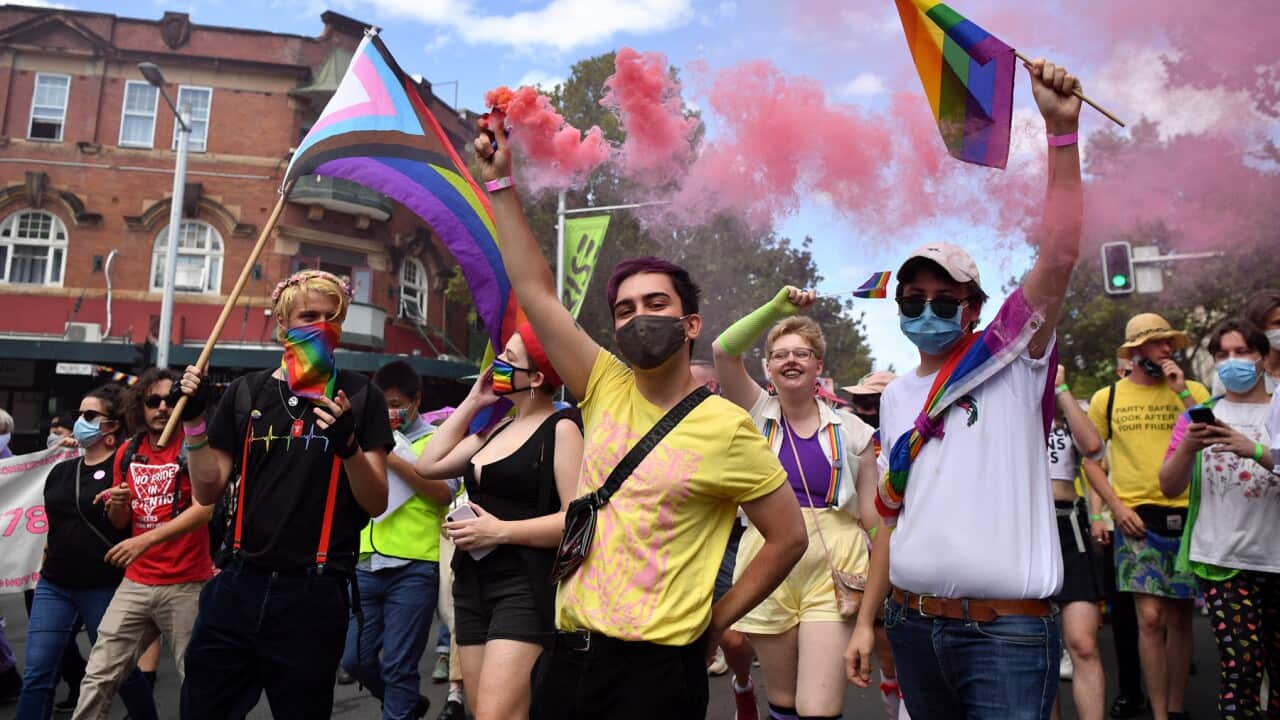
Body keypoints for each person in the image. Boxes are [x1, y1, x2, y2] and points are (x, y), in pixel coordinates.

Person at [472, 118, 808, 720]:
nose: (639, 318)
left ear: (691, 324)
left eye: (657, 304)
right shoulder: (602, 383)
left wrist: (717, 619)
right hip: (569, 656)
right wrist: (501, 187)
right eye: (624, 310)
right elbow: (537, 290)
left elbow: (788, 538)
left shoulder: (728, 428)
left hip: (660, 671)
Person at [844, 57, 1084, 720]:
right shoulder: (892, 399)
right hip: (914, 625)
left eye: (941, 298)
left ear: (973, 307)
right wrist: (873, 620)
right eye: (911, 299)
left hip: (1005, 635)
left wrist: (1061, 135)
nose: (925, 309)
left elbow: (1059, 255)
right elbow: (895, 519)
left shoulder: (1015, 358)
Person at [175, 269, 392, 719]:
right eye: (308, 315)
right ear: (282, 323)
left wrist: (349, 448)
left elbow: (376, 502)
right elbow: (208, 488)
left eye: (331, 317)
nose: (320, 326)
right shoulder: (245, 392)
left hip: (313, 596)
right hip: (237, 584)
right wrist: (194, 422)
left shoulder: (361, 395)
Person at [715, 289, 876, 720]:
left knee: (818, 708)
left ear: (818, 366)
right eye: (779, 354)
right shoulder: (753, 412)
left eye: (802, 353)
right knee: (783, 703)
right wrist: (775, 309)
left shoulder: (855, 432)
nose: (790, 360)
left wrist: (883, 587)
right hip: (767, 560)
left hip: (835, 564)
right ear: (767, 366)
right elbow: (724, 349)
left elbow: (874, 520)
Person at [413, 323, 583, 720]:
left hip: (524, 586)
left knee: (497, 715)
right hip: (470, 584)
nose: (497, 364)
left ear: (537, 377)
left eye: (509, 358)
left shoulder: (562, 428)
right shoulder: (498, 425)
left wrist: (500, 531)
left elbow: (575, 523)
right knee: (483, 711)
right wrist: (474, 400)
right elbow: (428, 464)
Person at [1087, 313, 1209, 720]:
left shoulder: (1192, 389)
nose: (1167, 349)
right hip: (1135, 518)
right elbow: (1090, 461)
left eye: (1169, 342)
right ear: (1136, 351)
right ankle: (1157, 712)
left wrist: (1184, 395)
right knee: (1150, 618)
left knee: (1179, 618)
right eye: (1158, 343)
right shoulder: (1110, 397)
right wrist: (1112, 509)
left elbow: (1212, 440)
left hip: (1187, 515)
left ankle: (1175, 709)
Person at [73, 370, 215, 719]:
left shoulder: (193, 446)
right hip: (137, 583)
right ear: (140, 406)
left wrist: (145, 540)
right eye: (153, 401)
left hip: (186, 584)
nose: (163, 408)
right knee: (99, 675)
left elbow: (205, 509)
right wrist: (118, 505)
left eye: (171, 400)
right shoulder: (129, 451)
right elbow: (122, 521)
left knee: (199, 681)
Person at [1159, 319, 1278, 719]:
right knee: (1240, 670)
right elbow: (1168, 486)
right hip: (1222, 562)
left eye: (1241, 352)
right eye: (1222, 354)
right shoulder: (1200, 415)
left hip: (1276, 557)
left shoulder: (1279, 406)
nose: (1232, 362)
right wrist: (1187, 449)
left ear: (1262, 357)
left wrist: (1255, 450)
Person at [16, 386, 157, 720]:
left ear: (111, 428)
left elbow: (126, 524)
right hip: (54, 586)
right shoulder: (61, 470)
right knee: (37, 675)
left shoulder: (126, 469)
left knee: (120, 672)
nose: (80, 421)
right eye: (79, 414)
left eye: (90, 416)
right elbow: (54, 527)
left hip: (104, 587)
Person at [341, 361, 459, 720]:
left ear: (416, 400)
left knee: (398, 665)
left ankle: (399, 708)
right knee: (354, 660)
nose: (391, 411)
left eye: (397, 403)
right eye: (384, 403)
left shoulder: (437, 440)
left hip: (414, 566)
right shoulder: (365, 439)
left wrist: (391, 457)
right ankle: (408, 705)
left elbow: (444, 493)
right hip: (366, 563)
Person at [692, 359, 760, 718]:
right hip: (685, 542)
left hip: (732, 539)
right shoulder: (662, 426)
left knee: (732, 637)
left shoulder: (737, 425)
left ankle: (743, 683)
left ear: (715, 387)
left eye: (699, 387)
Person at [841, 370, 905, 719]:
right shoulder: (854, 438)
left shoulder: (914, 435)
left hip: (911, 547)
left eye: (875, 401)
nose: (866, 407)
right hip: (869, 547)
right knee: (881, 628)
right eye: (862, 401)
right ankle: (891, 689)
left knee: (909, 626)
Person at [1045, 365, 1106, 720]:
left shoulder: (1071, 411)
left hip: (1069, 527)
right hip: (1029, 531)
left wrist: (1061, 388)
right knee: (1042, 649)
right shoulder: (1018, 409)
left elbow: (1094, 447)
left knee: (1083, 644)